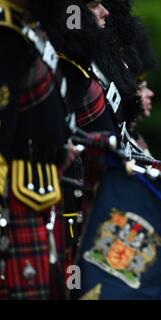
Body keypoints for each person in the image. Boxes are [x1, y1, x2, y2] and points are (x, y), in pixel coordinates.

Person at [0, 0, 74, 299]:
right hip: (13, 193)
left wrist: (59, 146)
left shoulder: (23, 27)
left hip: (38, 188)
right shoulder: (7, 32)